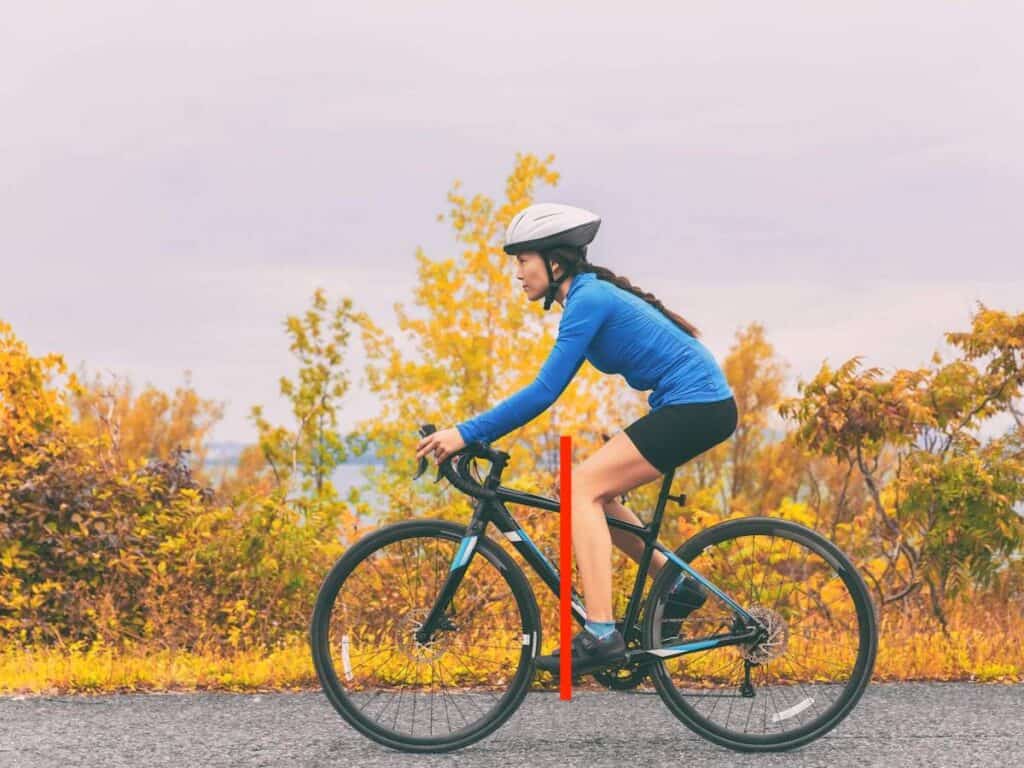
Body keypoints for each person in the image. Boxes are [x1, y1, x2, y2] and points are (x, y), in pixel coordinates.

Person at [414, 202, 738, 675]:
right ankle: (676, 586)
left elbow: (545, 390)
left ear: (556, 261)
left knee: (581, 488)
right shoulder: (586, 297)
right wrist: (473, 432)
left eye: (524, 260)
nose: (518, 273)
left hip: (698, 407)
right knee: (579, 490)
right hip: (691, 407)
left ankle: (601, 633)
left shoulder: (589, 300)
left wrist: (465, 433)